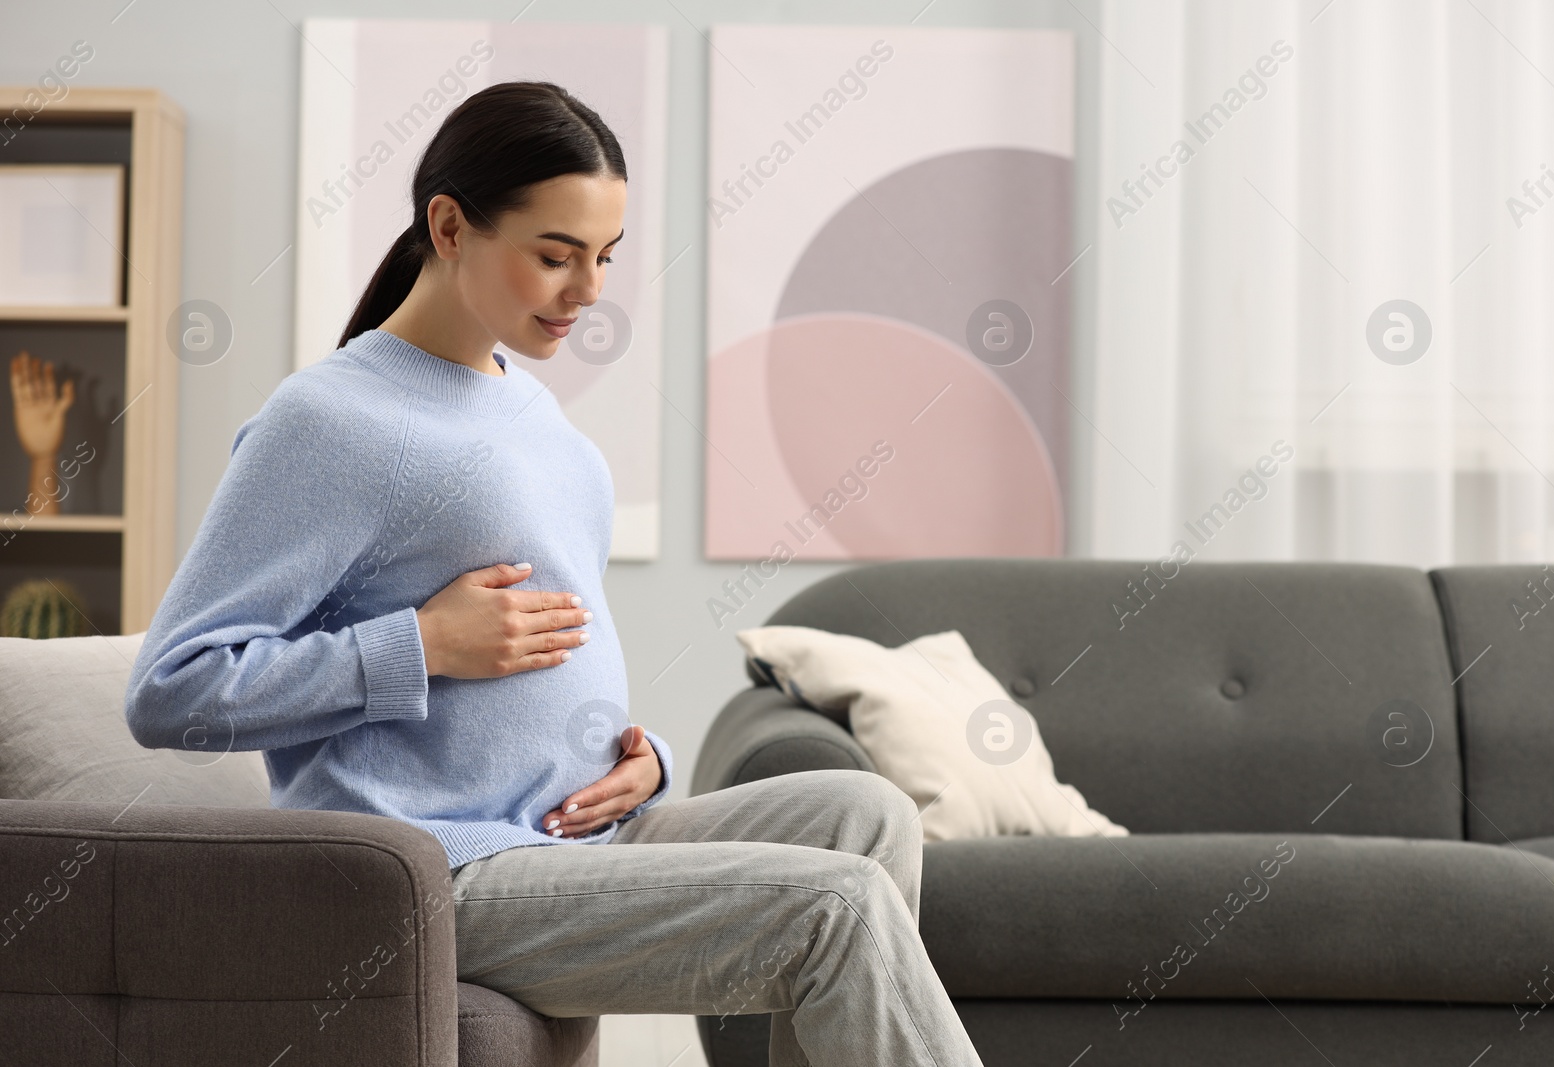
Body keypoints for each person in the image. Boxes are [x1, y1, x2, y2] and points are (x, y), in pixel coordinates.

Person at [124, 79, 985, 1067]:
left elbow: (558, 661)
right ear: (449, 226)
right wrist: (421, 644)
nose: (588, 291)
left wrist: (640, 757)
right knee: (839, 904)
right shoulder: (327, 423)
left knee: (862, 811)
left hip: (577, 833)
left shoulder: (535, 415)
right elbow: (170, 692)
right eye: (555, 255)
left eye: (605, 258)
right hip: (443, 865)